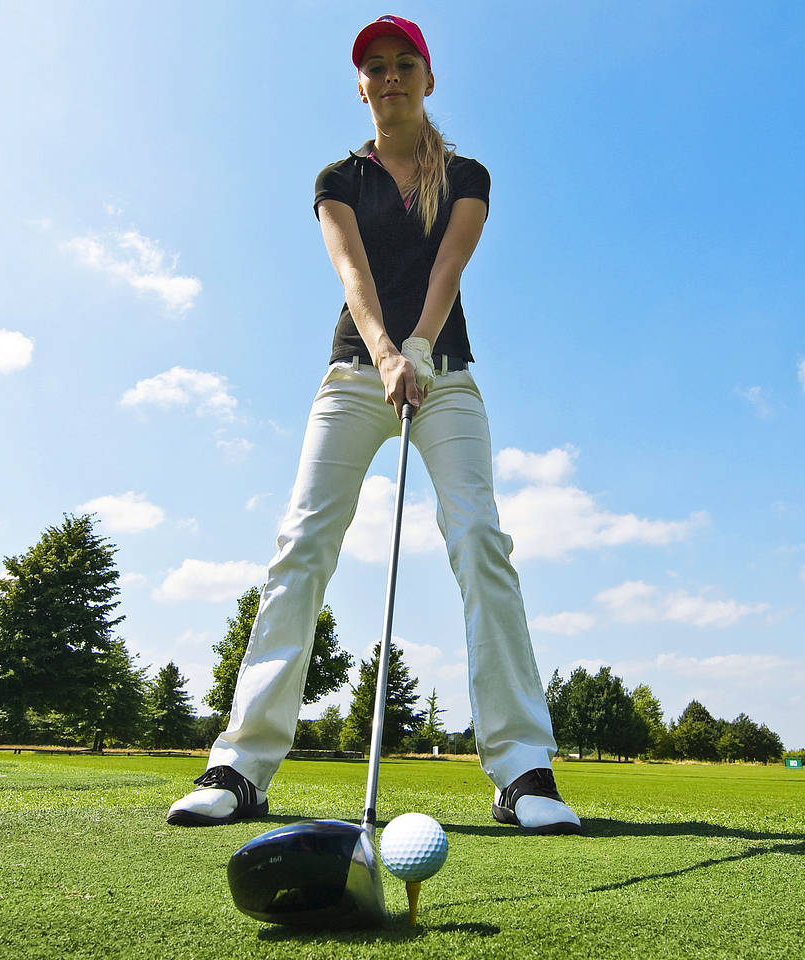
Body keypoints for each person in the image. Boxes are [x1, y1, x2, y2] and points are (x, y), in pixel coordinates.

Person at [167, 15, 580, 835]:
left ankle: (523, 772)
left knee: (479, 544)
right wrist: (389, 352)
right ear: (361, 86)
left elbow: (449, 266)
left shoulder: (466, 174)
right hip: (355, 374)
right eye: (375, 68)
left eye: (404, 64)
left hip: (447, 376)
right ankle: (241, 766)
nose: (390, 77)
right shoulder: (338, 178)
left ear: (428, 79)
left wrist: (422, 350)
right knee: (303, 544)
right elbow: (352, 273)